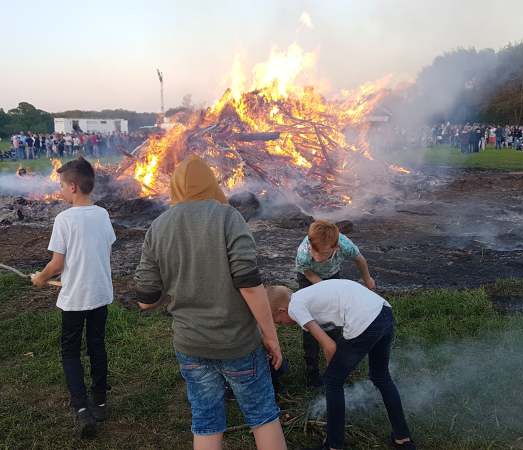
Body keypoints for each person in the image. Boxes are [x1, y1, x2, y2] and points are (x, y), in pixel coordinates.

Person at [134, 155, 286, 450]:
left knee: (206, 420)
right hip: (238, 343)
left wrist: (178, 282)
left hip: (191, 346)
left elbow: (146, 299)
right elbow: (250, 285)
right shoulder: (229, 217)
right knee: (262, 416)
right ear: (211, 184)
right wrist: (270, 335)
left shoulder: (158, 226)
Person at [268, 280, 416, 450]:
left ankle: (334, 445)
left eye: (278, 321)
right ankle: (403, 439)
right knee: (380, 376)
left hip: (365, 322)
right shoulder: (308, 296)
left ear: (281, 310)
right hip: (383, 312)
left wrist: (335, 374)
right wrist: (337, 367)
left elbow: (330, 346)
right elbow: (328, 343)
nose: (281, 325)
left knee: (332, 382)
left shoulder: (295, 307)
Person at [31, 158, 116, 439]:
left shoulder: (64, 219)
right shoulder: (102, 214)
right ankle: (100, 401)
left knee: (70, 351)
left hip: (74, 299)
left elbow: (57, 264)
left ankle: (81, 408)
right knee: (96, 345)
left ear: (74, 187)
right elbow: (105, 246)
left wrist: (41, 278)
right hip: (100, 294)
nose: (60, 192)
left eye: (62, 187)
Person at [295, 220, 375, 387]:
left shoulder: (345, 245)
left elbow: (359, 259)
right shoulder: (304, 253)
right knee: (311, 322)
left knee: (335, 317)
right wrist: (325, 290)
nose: (316, 257)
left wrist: (367, 278)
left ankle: (338, 361)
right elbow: (308, 272)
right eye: (314, 252)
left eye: (323, 254)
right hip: (309, 279)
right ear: (309, 243)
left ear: (335, 247)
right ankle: (312, 370)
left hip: (332, 275)